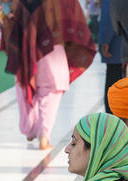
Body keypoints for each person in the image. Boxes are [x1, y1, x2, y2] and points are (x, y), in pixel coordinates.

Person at [5, 0, 96, 150]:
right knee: (51, 92)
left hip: (25, 48)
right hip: (51, 47)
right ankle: (44, 137)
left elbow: (10, 16)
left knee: (24, 86)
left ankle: (29, 129)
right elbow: (72, 14)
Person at [98, 0, 122, 113]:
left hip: (117, 46)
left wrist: (105, 40)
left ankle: (113, 125)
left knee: (113, 91)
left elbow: (109, 14)